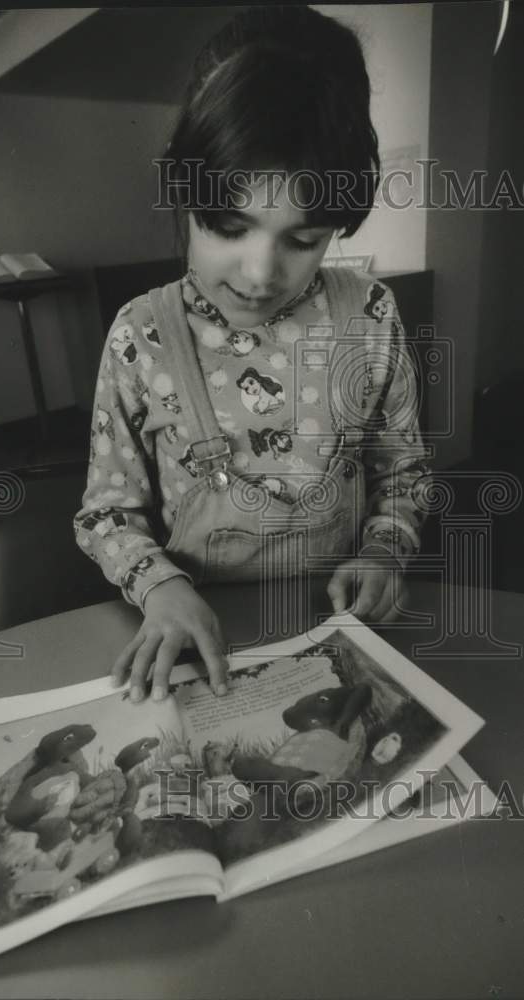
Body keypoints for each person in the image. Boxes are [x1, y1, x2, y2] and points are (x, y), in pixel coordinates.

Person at [74, 6, 430, 703]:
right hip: (197, 642)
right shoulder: (140, 333)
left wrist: (385, 547)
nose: (260, 273)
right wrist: (161, 587)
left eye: (302, 240)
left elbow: (404, 468)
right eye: (230, 226)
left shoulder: (371, 316)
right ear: (184, 193)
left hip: (340, 630)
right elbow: (105, 512)